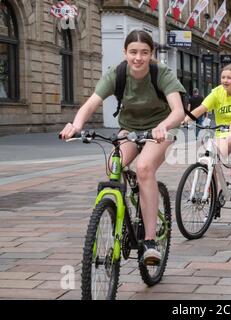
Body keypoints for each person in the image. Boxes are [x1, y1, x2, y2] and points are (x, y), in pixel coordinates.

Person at [59, 30, 186, 266]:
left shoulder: (162, 74)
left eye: (144, 52)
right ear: (125, 52)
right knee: (113, 166)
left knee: (145, 168)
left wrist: (163, 125)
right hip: (129, 129)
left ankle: (149, 240)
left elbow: (178, 111)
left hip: (161, 129)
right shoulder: (117, 74)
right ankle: (124, 212)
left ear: (151, 54)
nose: (138, 58)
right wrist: (75, 125)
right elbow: (91, 104)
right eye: (133, 52)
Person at [183, 64, 231, 188]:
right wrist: (186, 119)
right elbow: (202, 108)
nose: (225, 80)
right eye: (223, 77)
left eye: (229, 78)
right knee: (210, 155)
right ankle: (214, 189)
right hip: (223, 133)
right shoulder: (217, 92)